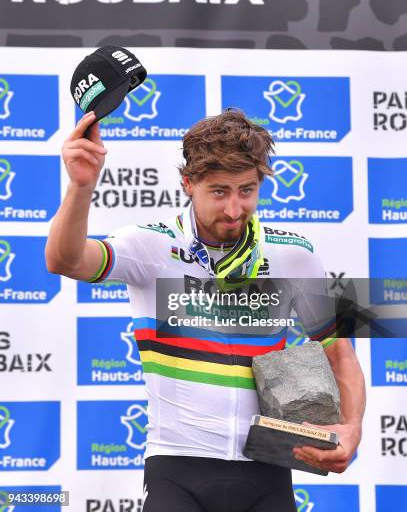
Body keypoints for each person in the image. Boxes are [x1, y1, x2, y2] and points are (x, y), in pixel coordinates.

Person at [46, 109, 365, 512]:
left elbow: (340, 353)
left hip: (266, 472)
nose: (234, 209)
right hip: (177, 469)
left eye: (246, 190)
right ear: (188, 183)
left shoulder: (293, 255)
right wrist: (81, 186)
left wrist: (351, 429)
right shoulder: (151, 247)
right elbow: (65, 260)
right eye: (219, 192)